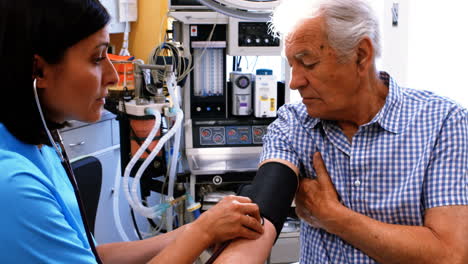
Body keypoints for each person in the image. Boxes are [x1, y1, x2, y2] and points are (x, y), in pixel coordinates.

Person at [0, 0, 264, 263]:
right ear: (39, 70)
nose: (113, 76)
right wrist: (202, 232)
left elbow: (93, 256)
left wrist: (197, 230)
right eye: (97, 58)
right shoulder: (12, 183)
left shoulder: (38, 146)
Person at [213, 0, 468, 263]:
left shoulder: (443, 123)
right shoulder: (294, 125)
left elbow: (450, 255)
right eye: (291, 65)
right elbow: (264, 212)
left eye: (308, 62)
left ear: (361, 55)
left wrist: (334, 218)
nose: (295, 81)